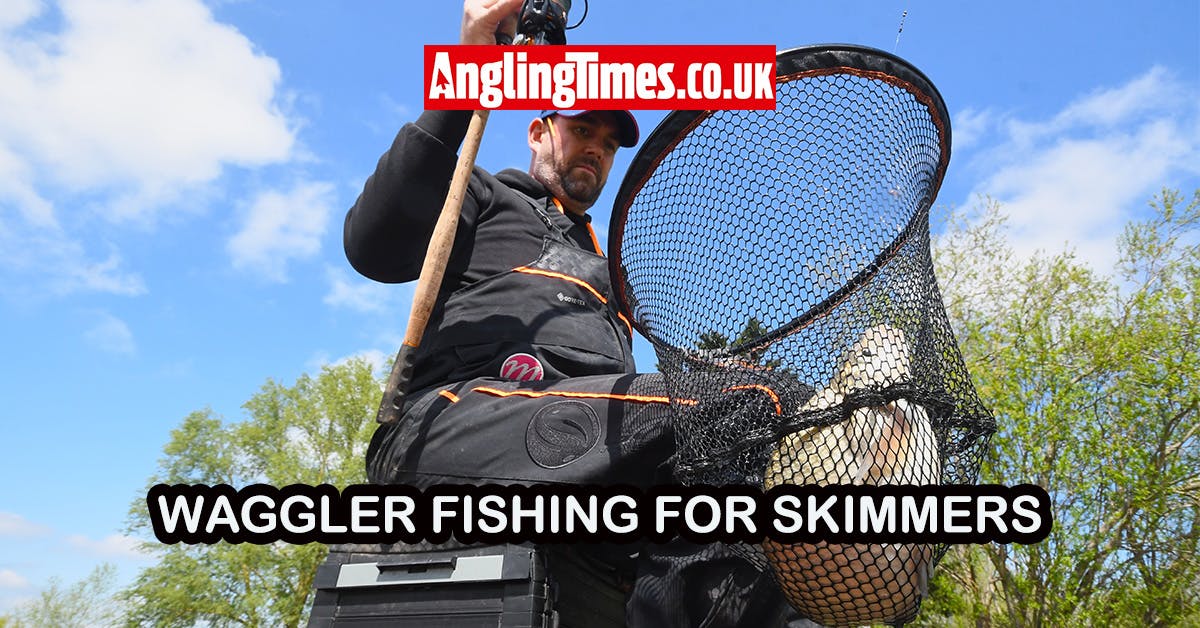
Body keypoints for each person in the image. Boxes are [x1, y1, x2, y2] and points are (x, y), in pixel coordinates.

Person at [343, 1, 807, 625]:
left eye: (609, 144)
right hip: (455, 426)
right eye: (584, 129)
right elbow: (374, 245)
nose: (597, 150)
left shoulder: (611, 272)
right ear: (538, 131)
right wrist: (470, 65)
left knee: (747, 481)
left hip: (578, 464)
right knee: (750, 401)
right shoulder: (484, 195)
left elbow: (637, 405)